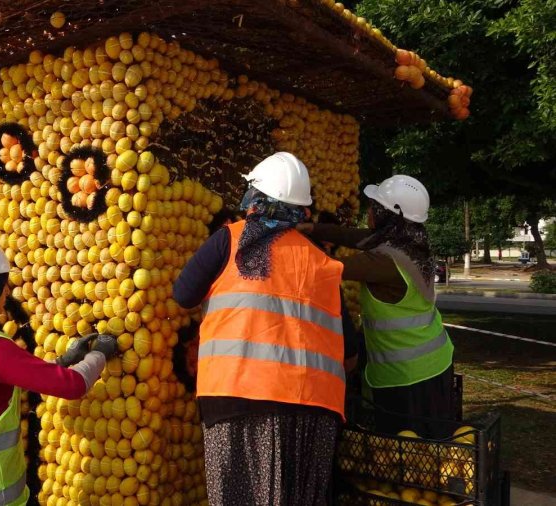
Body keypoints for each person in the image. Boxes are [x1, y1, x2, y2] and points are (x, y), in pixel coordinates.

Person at [173, 152, 352, 505]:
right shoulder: (323, 261)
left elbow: (183, 295)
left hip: (236, 397)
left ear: (254, 197)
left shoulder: (229, 240)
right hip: (311, 408)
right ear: (301, 209)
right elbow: (351, 342)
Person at [0, 234, 118, 506]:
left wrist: (63, 361)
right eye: (1, 284)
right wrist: (100, 353)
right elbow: (72, 385)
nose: (7, 292)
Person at [298, 175, 455, 435]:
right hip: (435, 363)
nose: (369, 210)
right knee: (432, 446)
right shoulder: (410, 243)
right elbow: (355, 236)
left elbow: (324, 270)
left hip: (408, 377)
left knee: (408, 454)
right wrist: (312, 229)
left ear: (389, 215)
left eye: (375, 207)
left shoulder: (386, 261)